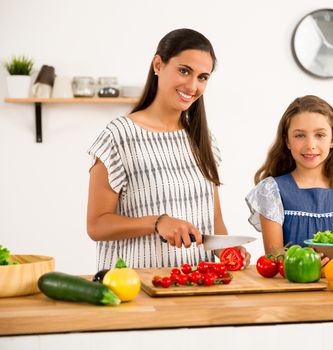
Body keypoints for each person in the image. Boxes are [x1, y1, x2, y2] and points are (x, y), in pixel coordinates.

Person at [87, 28, 250, 270]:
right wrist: (157, 222)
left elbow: (213, 221)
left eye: (203, 77)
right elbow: (97, 226)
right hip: (136, 287)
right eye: (184, 71)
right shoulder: (118, 136)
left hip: (195, 285)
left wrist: (226, 249)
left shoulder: (203, 140)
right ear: (158, 65)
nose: (193, 86)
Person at [245, 95, 333, 271]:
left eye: (320, 135)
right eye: (300, 135)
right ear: (287, 140)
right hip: (293, 292)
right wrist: (305, 264)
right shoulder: (272, 190)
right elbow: (274, 255)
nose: (310, 144)